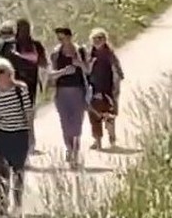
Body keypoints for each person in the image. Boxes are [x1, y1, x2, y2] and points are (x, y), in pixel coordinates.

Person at [0, 58, 34, 217]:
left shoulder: (21, 89)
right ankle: (3, 204)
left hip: (20, 134)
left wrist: (31, 135)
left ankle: (18, 203)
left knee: (18, 170)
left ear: (9, 72)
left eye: (2, 71)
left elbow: (28, 112)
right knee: (2, 171)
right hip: (2, 135)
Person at [48, 27, 91, 166]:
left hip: (78, 91)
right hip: (61, 92)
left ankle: (75, 152)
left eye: (62, 38)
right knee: (65, 123)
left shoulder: (80, 51)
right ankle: (69, 149)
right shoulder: (56, 53)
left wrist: (79, 64)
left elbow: (88, 70)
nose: (61, 41)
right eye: (58, 39)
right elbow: (51, 75)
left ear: (70, 37)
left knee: (77, 123)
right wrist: (63, 72)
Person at [9, 18, 47, 153]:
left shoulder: (35, 45)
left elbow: (43, 63)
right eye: (21, 28)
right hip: (14, 85)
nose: (23, 31)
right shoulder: (11, 46)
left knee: (28, 113)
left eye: (25, 28)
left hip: (30, 84)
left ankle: (30, 142)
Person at [86, 28, 124, 150]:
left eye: (100, 38)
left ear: (105, 39)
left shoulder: (110, 55)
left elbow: (118, 73)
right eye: (95, 39)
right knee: (94, 116)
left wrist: (115, 90)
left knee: (109, 115)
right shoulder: (89, 55)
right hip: (93, 90)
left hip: (108, 90)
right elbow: (85, 71)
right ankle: (98, 141)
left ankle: (112, 139)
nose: (97, 41)